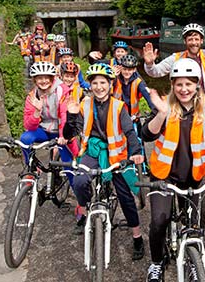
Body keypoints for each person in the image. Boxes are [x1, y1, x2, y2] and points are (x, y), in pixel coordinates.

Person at [141, 58, 205, 282]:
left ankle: (193, 262)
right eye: (179, 84)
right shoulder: (164, 104)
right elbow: (147, 134)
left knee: (195, 225)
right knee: (158, 222)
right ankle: (156, 264)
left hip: (194, 176)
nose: (184, 89)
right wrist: (161, 114)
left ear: (197, 85)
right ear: (172, 85)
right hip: (163, 175)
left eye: (189, 84)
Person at [63, 63, 145, 261]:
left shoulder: (119, 106)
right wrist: (71, 116)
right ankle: (83, 212)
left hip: (115, 154)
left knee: (125, 195)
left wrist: (134, 152)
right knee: (81, 181)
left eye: (103, 82)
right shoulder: (84, 104)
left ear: (110, 84)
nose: (99, 87)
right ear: (90, 85)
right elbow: (69, 134)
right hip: (93, 151)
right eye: (95, 83)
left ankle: (137, 236)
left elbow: (129, 132)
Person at [20, 61, 79, 189]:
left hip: (60, 132)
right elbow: (29, 126)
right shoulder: (32, 96)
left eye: (46, 77)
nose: (43, 81)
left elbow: (64, 115)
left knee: (68, 164)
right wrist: (36, 112)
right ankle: (31, 168)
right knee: (25, 139)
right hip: (44, 130)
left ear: (52, 78)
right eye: (40, 78)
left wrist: (64, 136)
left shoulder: (61, 91)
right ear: (35, 80)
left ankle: (80, 200)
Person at [141, 23, 205, 102]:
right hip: (183, 104)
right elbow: (156, 72)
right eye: (190, 39)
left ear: (201, 41)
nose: (193, 43)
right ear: (185, 41)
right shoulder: (176, 58)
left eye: (196, 39)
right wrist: (149, 64)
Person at [112, 54, 154, 128]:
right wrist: (112, 76)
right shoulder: (116, 79)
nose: (127, 72)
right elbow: (107, 89)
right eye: (124, 69)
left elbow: (147, 96)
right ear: (120, 68)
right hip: (116, 116)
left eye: (130, 70)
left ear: (134, 70)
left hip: (132, 117)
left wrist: (154, 109)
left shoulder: (138, 82)